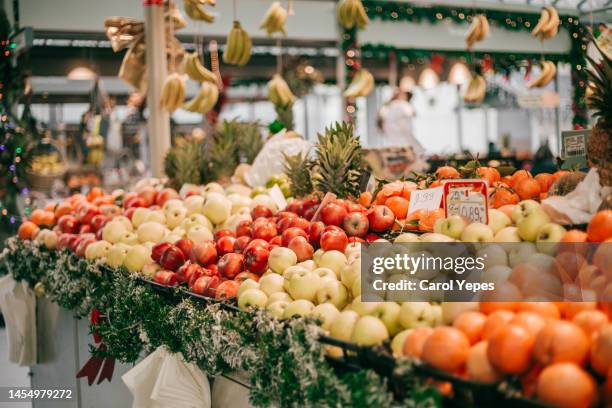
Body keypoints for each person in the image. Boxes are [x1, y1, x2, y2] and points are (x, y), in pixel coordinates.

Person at [377, 89, 423, 154]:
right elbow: (413, 113)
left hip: (392, 140)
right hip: (403, 139)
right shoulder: (403, 104)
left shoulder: (386, 106)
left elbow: (379, 119)